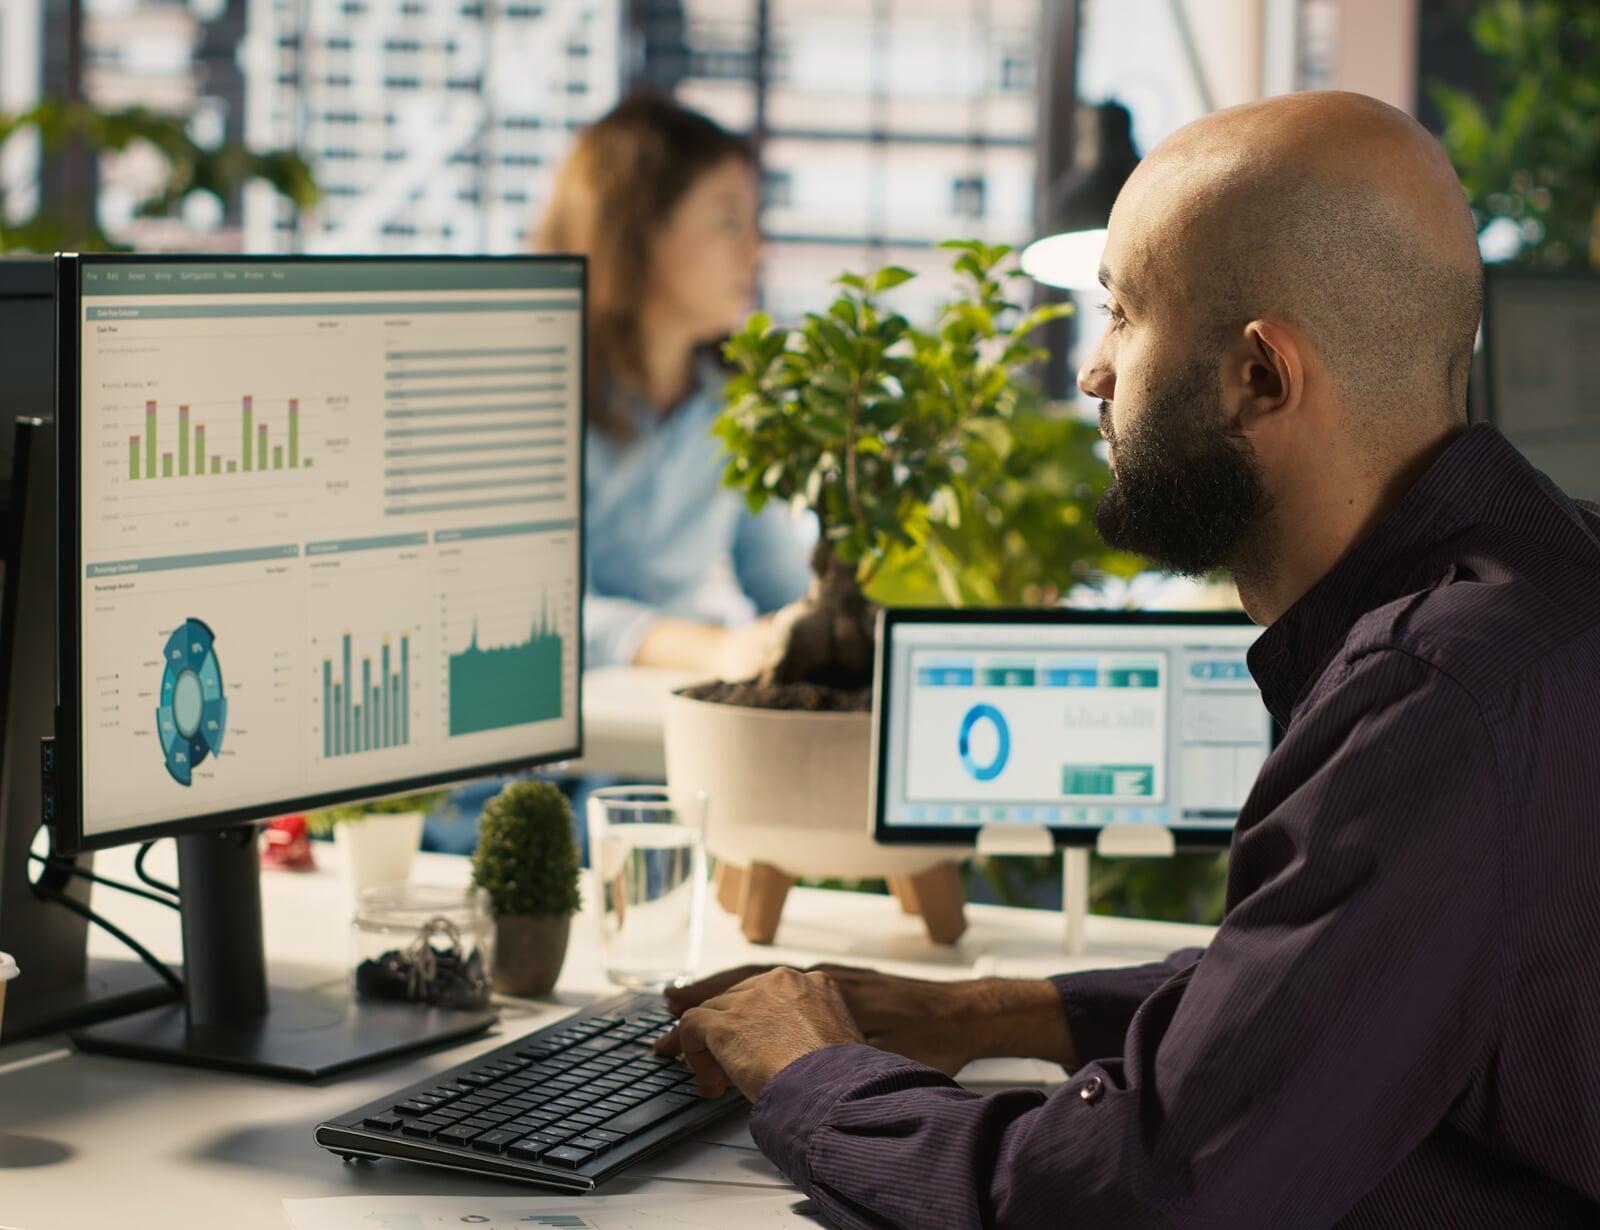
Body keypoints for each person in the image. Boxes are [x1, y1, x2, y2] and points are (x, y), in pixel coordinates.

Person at [656, 91, 1600, 1227]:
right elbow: (1332, 987)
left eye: (1121, 312)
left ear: (1261, 375)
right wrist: (980, 1013)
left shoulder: (1428, 700)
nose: (1093, 372)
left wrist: (808, 1071)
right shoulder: (1549, 587)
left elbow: (1126, 1198)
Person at [535, 94, 812, 677]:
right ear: (638, 230)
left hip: (661, 714)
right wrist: (709, 648)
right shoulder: (537, 394)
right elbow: (536, 615)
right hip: (564, 724)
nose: (755, 251)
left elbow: (782, 584)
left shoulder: (732, 404)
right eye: (727, 220)